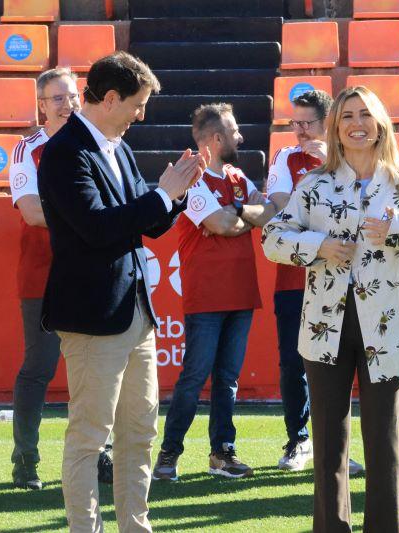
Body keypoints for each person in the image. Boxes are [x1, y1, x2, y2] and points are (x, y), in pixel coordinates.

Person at [263, 86, 399, 532]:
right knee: (328, 442)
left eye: (365, 114)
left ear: (381, 124)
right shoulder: (314, 185)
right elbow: (272, 238)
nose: (356, 123)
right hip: (325, 322)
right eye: (347, 115)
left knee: (383, 442)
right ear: (334, 127)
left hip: (387, 325)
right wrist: (318, 245)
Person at [38, 52, 206, 532]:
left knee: (140, 432)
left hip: (136, 314)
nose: (142, 115)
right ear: (110, 99)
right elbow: (96, 228)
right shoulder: (64, 151)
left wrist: (175, 195)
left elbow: (146, 225)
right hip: (92, 316)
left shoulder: (118, 147)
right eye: (137, 104)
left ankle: (136, 526)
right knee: (90, 438)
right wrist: (161, 194)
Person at [240, 89, 363, 474]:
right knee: (295, 363)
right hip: (294, 278)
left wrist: (328, 165)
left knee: (340, 363)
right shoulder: (286, 158)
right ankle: (299, 439)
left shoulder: (354, 158)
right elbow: (282, 210)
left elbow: (363, 209)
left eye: (307, 123)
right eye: (295, 123)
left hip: (344, 278)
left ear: (327, 123)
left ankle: (338, 446)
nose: (300, 131)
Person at [9, 67, 114, 491]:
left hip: (92, 274)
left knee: (96, 371)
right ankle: (25, 460)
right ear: (41, 105)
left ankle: (100, 456)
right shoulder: (26, 149)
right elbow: (31, 211)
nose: (68, 104)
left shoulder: (99, 143)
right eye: (58, 98)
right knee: (39, 368)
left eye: (73, 96)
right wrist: (85, 218)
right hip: (43, 275)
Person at [153, 103, 261, 481]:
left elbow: (266, 211)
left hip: (241, 292)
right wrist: (243, 215)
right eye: (234, 131)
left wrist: (238, 214)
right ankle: (169, 453)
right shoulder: (193, 179)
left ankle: (222, 453)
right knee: (194, 378)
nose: (240, 137)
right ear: (216, 139)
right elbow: (219, 224)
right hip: (207, 296)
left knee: (227, 379)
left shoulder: (237, 177)